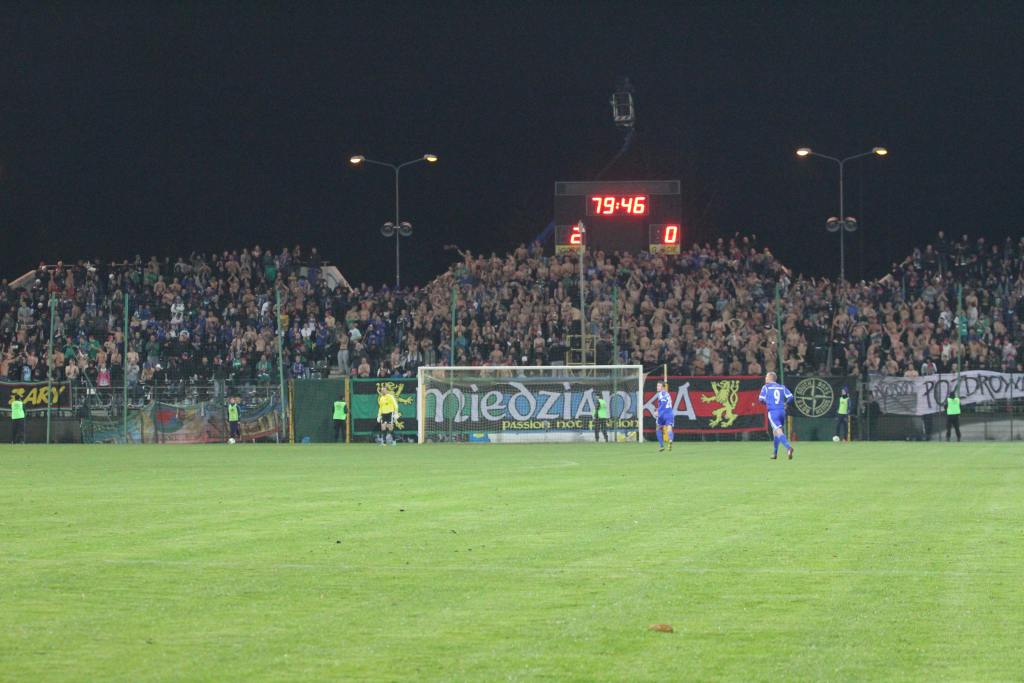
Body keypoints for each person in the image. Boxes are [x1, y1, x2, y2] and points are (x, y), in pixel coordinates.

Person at [758, 372, 794, 460]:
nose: (765, 378)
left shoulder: (766, 387)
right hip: (782, 411)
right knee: (775, 432)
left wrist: (768, 403)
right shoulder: (782, 387)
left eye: (766, 376)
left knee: (778, 431)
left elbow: (760, 399)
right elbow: (791, 397)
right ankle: (775, 454)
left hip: (773, 411)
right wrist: (786, 404)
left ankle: (788, 447)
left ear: (770, 377)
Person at [654, 382, 674, 451]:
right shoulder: (667, 394)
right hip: (669, 413)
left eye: (659, 386)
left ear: (662, 387)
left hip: (662, 413)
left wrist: (657, 411)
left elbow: (663, 403)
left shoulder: (660, 394)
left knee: (658, 428)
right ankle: (670, 440)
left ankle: (661, 446)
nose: (657, 387)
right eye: (657, 386)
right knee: (669, 427)